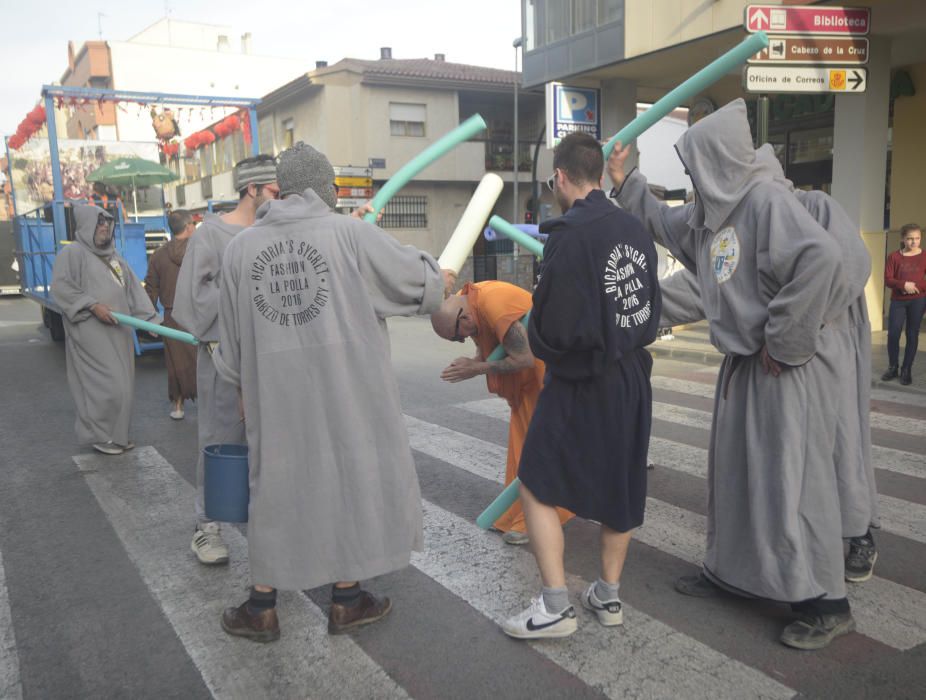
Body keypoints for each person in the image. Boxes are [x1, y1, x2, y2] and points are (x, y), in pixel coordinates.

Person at [608, 98, 868, 651]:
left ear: (719, 159)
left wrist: (782, 339)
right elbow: (660, 221)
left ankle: (826, 602)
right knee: (736, 480)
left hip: (784, 370)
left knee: (794, 484)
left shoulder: (767, 202)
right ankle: (732, 572)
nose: (690, 179)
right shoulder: (713, 213)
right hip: (746, 370)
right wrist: (627, 180)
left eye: (694, 166)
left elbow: (820, 259)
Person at [213, 141, 455, 641]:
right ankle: (346, 599)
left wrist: (241, 391)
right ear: (326, 190)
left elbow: (230, 343)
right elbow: (420, 284)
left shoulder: (240, 249)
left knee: (274, 491)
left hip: (274, 401)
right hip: (349, 394)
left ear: (282, 189)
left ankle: (262, 606)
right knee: (349, 481)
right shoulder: (352, 235)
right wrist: (441, 278)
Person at [501, 132, 660, 640]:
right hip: (633, 373)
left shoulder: (569, 235)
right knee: (623, 482)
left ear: (563, 177)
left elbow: (556, 329)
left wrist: (539, 334)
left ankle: (554, 607)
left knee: (536, 477)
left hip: (582, 378)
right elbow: (647, 304)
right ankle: (607, 597)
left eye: (553, 180)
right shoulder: (633, 228)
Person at [173, 154, 280, 566]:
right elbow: (191, 301)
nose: (279, 197)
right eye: (273, 190)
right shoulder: (210, 235)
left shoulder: (275, 231)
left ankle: (265, 523)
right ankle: (206, 527)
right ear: (251, 189)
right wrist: (239, 297)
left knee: (267, 444)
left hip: (270, 359)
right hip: (223, 358)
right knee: (218, 440)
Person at [430, 281, 574, 544]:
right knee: (523, 451)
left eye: (456, 335)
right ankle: (518, 513)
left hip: (544, 375)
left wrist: (475, 369)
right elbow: (487, 345)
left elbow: (524, 358)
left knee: (537, 451)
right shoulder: (469, 301)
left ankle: (539, 519)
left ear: (464, 316)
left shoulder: (492, 303)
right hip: (527, 384)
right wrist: (473, 362)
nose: (461, 339)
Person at [51, 204, 160, 455]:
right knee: (106, 386)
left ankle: (117, 436)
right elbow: (61, 288)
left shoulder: (114, 257)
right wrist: (92, 305)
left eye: (107, 223)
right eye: (99, 223)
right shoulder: (73, 254)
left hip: (119, 333)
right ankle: (101, 436)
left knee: (124, 386)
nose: (104, 227)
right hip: (90, 334)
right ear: (86, 225)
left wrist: (151, 320)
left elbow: (133, 290)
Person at [144, 209, 198, 419]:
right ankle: (212, 403)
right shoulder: (199, 251)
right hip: (198, 313)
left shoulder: (158, 255)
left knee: (175, 363)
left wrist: (150, 320)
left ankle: (177, 406)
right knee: (204, 360)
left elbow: (151, 288)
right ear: (188, 227)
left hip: (172, 316)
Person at [882, 223, 926, 386]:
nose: (914, 242)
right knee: (893, 333)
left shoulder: (924, 256)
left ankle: (906, 369)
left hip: (918, 300)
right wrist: (903, 285)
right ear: (902, 239)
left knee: (912, 334)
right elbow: (888, 279)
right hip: (898, 301)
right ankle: (893, 367)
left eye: (917, 238)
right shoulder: (894, 257)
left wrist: (914, 286)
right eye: (910, 239)